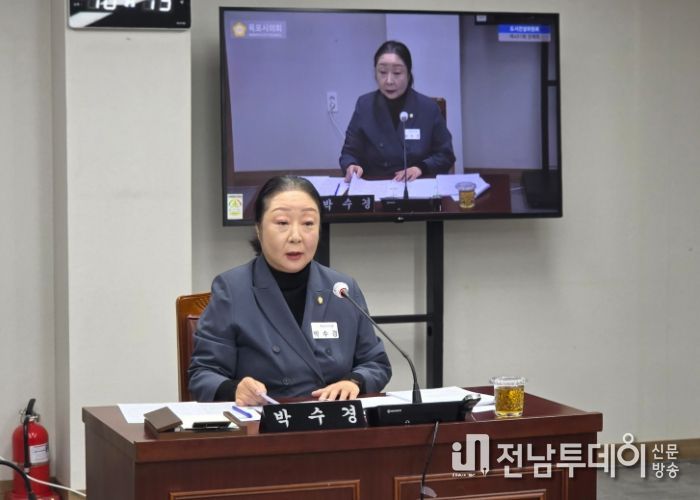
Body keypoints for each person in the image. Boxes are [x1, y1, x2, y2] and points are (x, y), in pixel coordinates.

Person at [188, 175, 392, 405]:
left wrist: (354, 382)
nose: (296, 237)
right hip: (267, 420)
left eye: (308, 223)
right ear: (258, 228)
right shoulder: (233, 289)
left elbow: (376, 363)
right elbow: (203, 374)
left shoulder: (341, 289)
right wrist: (235, 390)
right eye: (282, 223)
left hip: (332, 418)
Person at [340, 40, 456, 182]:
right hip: (376, 183)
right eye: (382, 72)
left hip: (416, 184)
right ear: (375, 73)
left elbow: (446, 155)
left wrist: (421, 168)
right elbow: (349, 152)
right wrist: (352, 165)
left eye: (397, 72)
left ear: (408, 74)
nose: (389, 80)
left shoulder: (428, 108)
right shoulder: (364, 105)